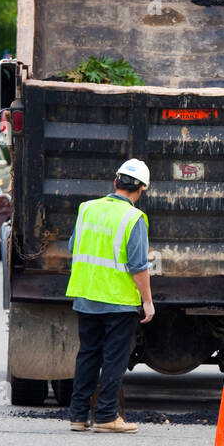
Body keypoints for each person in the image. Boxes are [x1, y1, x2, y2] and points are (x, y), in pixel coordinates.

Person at [65, 158, 154, 432]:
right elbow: (138, 266)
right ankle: (106, 416)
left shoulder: (86, 209)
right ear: (140, 190)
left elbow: (73, 246)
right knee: (114, 358)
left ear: (116, 182)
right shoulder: (133, 218)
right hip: (118, 301)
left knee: (88, 354)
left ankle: (78, 416)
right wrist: (148, 302)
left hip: (86, 296)